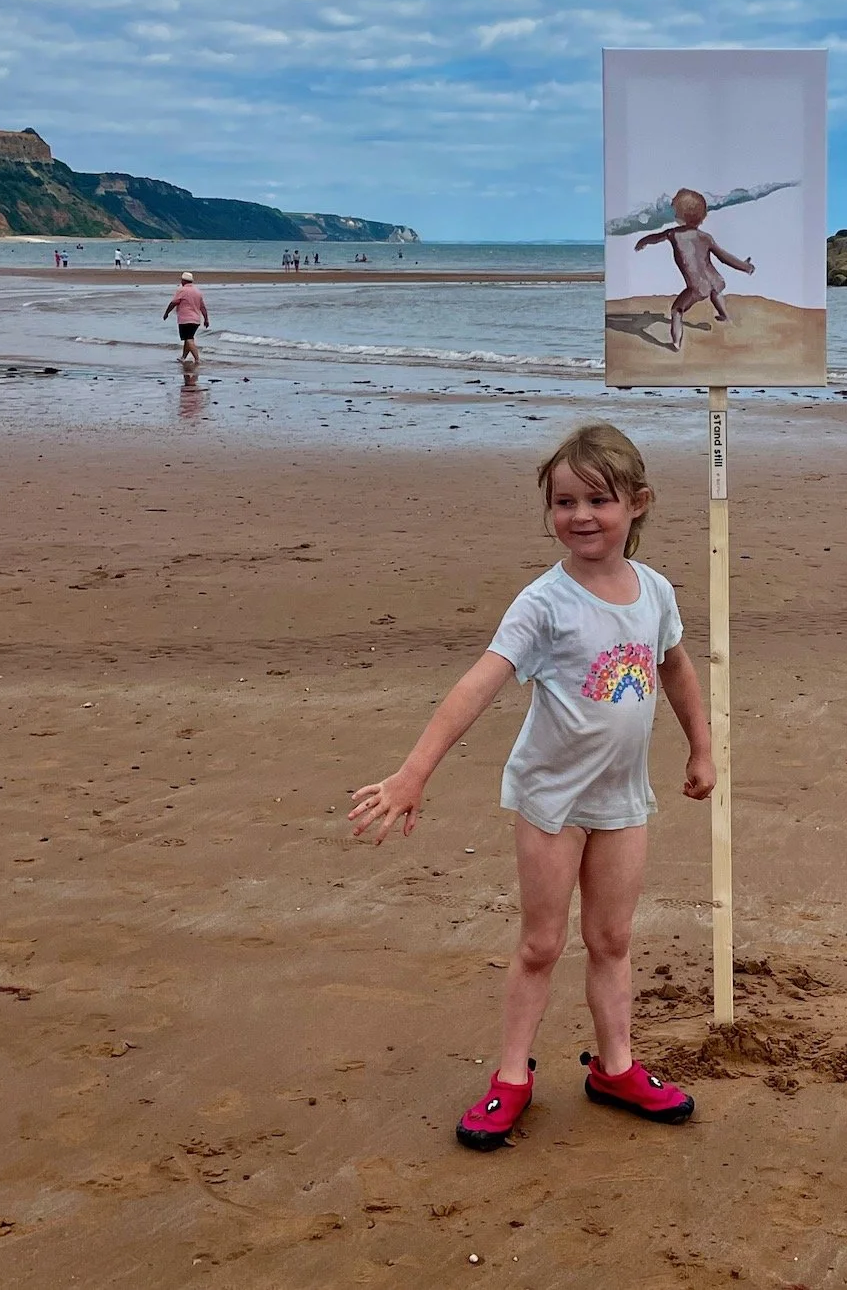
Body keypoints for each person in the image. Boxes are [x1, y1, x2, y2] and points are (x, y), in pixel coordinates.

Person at [350, 423, 715, 1150]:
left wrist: (702, 746)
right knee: (542, 943)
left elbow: (673, 665)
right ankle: (511, 1075)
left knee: (611, 937)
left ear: (637, 504)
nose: (580, 515)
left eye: (598, 500)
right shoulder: (543, 603)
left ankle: (615, 1066)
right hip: (552, 801)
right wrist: (414, 770)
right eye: (562, 501)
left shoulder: (655, 591)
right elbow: (477, 684)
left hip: (621, 797)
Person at [634, 187, 755, 350]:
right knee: (716, 292)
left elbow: (656, 238)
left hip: (697, 287)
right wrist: (745, 266)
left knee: (677, 309)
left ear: (679, 215)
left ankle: (676, 343)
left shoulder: (674, 234)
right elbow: (723, 257)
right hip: (715, 279)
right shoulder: (705, 237)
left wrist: (643, 241)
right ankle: (725, 316)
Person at [162, 271, 209, 366]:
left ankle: (197, 359)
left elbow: (174, 302)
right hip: (196, 319)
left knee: (188, 339)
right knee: (188, 338)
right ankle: (183, 357)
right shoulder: (197, 291)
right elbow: (202, 307)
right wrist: (206, 319)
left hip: (185, 319)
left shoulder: (182, 290)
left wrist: (166, 313)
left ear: (183, 281)